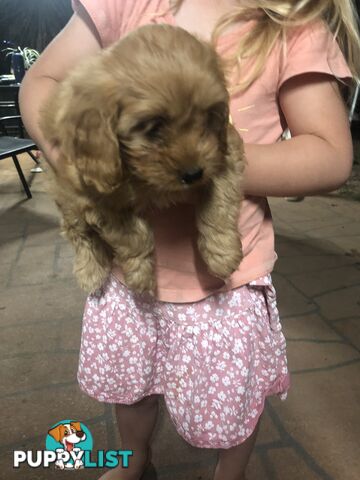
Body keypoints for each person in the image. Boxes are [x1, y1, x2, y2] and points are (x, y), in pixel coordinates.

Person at [19, 1, 360, 479]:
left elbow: (330, 156)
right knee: (131, 388)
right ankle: (134, 462)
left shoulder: (291, 26)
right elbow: (42, 84)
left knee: (233, 404)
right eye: (156, 128)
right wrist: (78, 157)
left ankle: (230, 473)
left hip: (226, 284)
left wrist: (215, 167)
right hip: (128, 271)